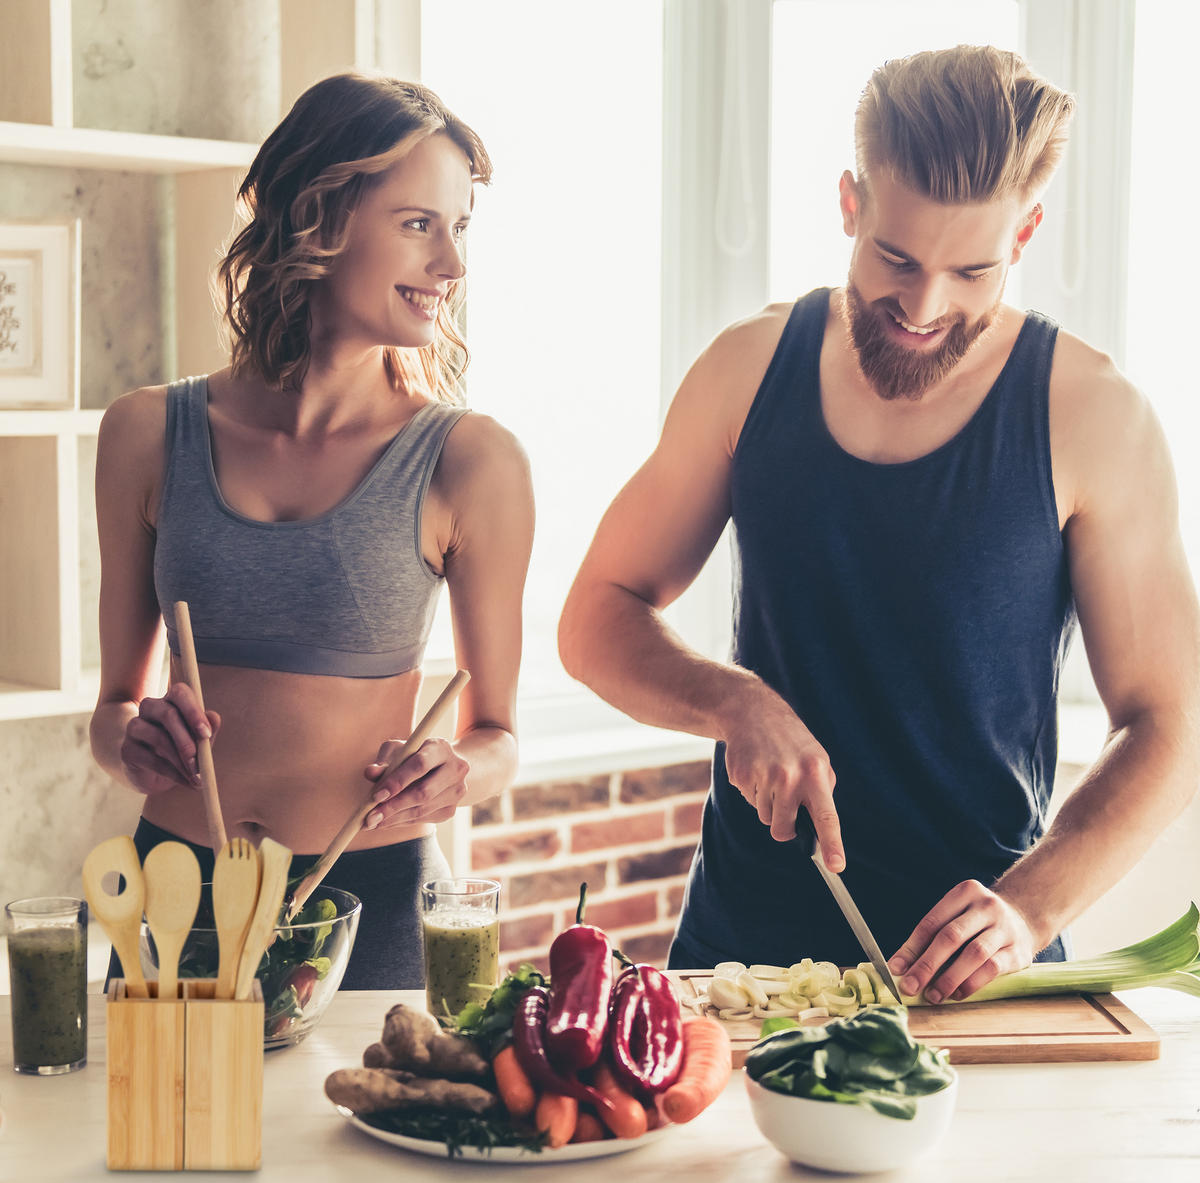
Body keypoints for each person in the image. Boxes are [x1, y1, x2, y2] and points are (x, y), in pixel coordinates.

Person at [558, 46, 1200, 1004]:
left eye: (970, 271)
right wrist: (729, 700)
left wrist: (1030, 908)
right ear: (850, 205)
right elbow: (595, 616)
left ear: (1023, 235)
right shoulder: (745, 370)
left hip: (972, 981)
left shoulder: (1093, 414)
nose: (924, 306)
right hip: (739, 965)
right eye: (896, 259)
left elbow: (1169, 721)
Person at [90, 73, 534, 989]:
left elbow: (497, 735)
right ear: (317, 219)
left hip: (371, 903)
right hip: (177, 894)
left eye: (460, 230)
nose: (451, 265)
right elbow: (112, 715)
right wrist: (132, 739)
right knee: (150, 1137)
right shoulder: (144, 434)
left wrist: (457, 773)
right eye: (420, 224)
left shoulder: (470, 462)